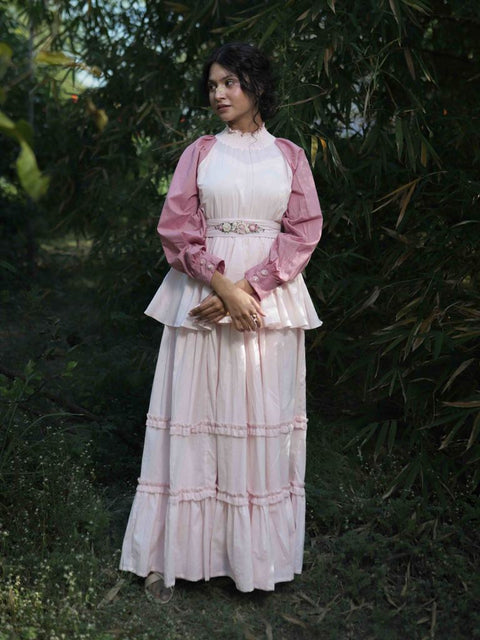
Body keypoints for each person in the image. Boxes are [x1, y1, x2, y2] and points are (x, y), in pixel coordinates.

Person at [119, 42, 323, 602]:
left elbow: (304, 231)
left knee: (258, 418)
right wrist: (220, 285)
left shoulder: (290, 156)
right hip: (201, 297)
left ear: (256, 85)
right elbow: (176, 227)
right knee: (195, 417)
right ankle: (177, 556)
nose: (218, 94)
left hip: (267, 301)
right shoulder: (201, 152)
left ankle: (251, 561)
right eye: (212, 85)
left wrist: (248, 289)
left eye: (229, 82)